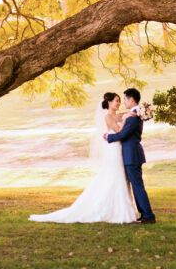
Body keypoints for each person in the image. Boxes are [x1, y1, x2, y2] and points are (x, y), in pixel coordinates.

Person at [29, 92, 138, 223]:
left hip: (119, 149)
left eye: (120, 101)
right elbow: (119, 130)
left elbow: (122, 117)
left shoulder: (116, 115)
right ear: (109, 102)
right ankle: (109, 209)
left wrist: (128, 115)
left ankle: (121, 208)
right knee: (113, 175)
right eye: (116, 101)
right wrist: (126, 119)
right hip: (113, 149)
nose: (119, 103)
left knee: (119, 176)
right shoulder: (108, 116)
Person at [104, 87, 156, 224]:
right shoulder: (133, 114)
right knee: (136, 185)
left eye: (125, 99)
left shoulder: (133, 117)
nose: (124, 102)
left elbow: (122, 134)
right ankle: (144, 215)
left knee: (138, 186)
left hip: (131, 155)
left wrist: (108, 137)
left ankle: (148, 216)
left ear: (131, 100)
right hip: (131, 154)